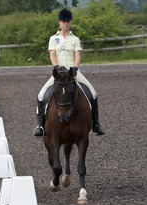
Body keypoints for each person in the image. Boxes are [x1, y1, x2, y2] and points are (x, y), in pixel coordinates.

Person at [33, 8, 105, 137]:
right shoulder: (53, 39)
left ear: (71, 22)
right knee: (41, 95)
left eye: (68, 21)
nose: (65, 23)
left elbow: (77, 56)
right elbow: (52, 55)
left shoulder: (75, 39)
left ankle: (96, 124)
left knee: (93, 93)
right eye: (63, 21)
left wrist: (75, 68)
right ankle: (40, 126)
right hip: (59, 73)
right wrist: (56, 67)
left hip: (73, 72)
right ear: (59, 22)